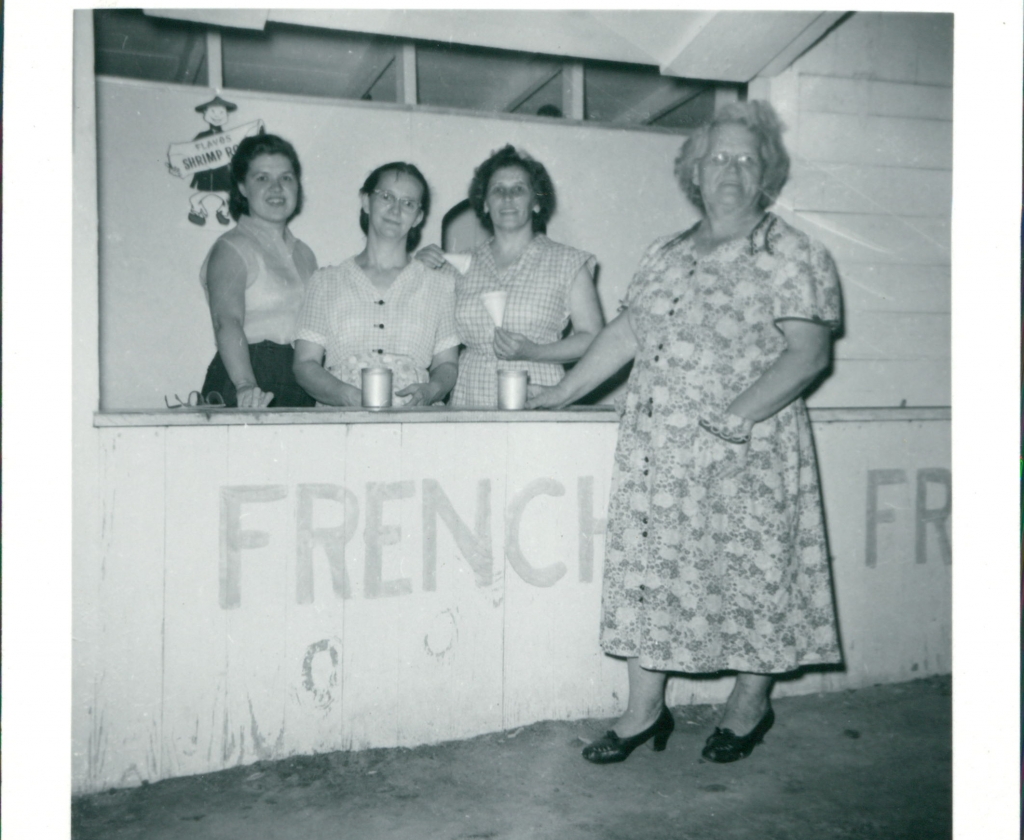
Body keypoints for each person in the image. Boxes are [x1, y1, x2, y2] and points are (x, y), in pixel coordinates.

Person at [529, 101, 843, 764]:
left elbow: (809, 353)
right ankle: (643, 712)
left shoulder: (792, 253)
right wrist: (560, 392)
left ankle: (749, 705)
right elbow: (627, 333)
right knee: (650, 577)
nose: (731, 169)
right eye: (718, 157)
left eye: (747, 159)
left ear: (766, 173)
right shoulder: (665, 253)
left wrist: (737, 415)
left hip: (746, 453)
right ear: (693, 170)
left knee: (753, 577)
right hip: (659, 457)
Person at [419, 145, 604, 408]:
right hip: (470, 399)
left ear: (536, 202)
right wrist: (417, 271)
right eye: (498, 190)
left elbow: (594, 339)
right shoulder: (456, 265)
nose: (507, 198)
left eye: (518, 189)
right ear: (485, 203)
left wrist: (535, 352)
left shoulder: (567, 262)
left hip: (537, 395)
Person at [293, 162, 459, 407]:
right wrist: (347, 396)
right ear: (365, 201)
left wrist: (432, 390)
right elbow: (305, 364)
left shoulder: (440, 285)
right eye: (386, 196)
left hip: (413, 419)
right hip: (342, 418)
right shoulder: (325, 282)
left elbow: (447, 364)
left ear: (418, 217)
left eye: (408, 203)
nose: (395, 209)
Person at [200, 132, 318, 408]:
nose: (276, 188)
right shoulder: (232, 247)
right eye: (262, 178)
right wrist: (245, 385)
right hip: (248, 378)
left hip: (300, 379)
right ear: (242, 187)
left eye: (286, 178)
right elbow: (226, 321)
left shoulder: (305, 254)